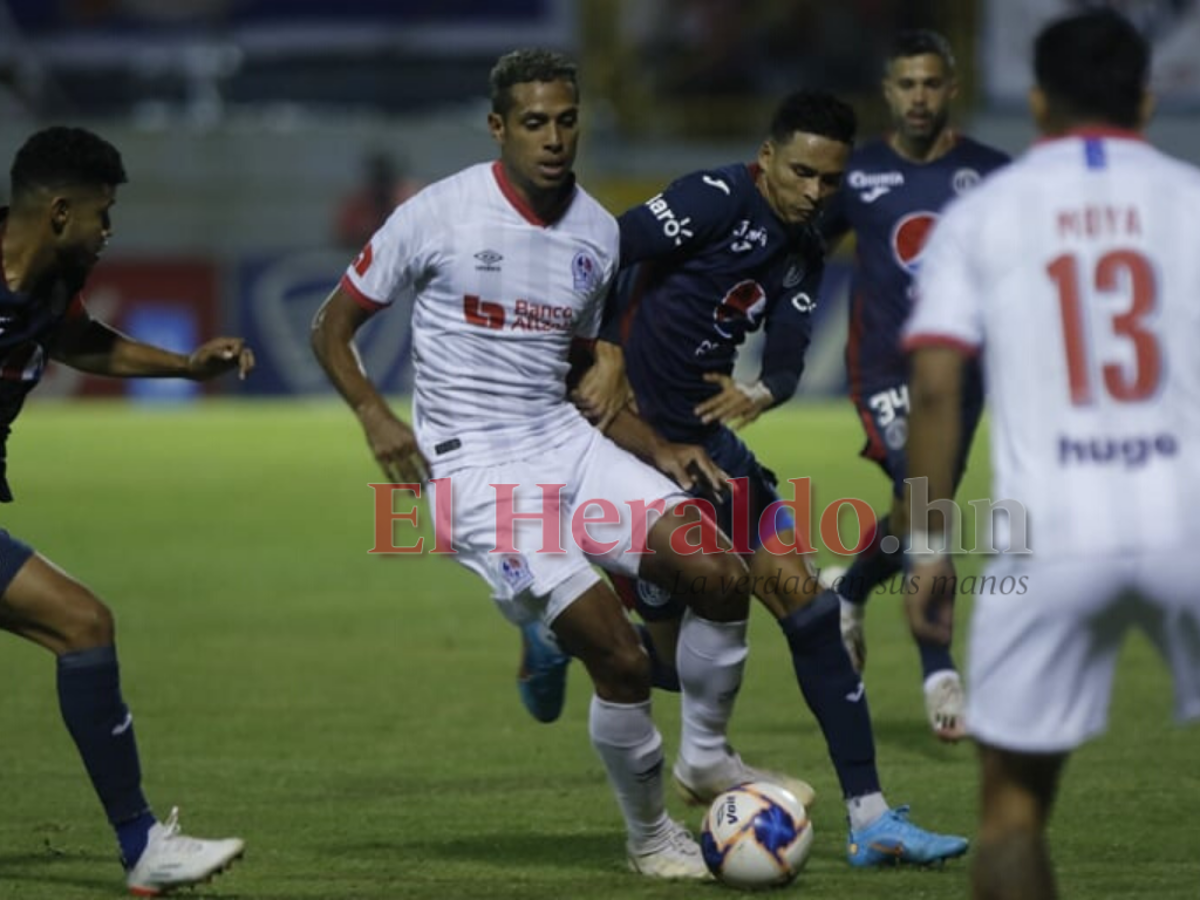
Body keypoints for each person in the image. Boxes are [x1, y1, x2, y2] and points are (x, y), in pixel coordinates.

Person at [311, 48, 813, 881]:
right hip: (477, 472)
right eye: (535, 122)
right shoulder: (436, 214)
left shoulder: (595, 233)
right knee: (617, 658)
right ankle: (651, 840)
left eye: (567, 120)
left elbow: (579, 368)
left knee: (720, 574)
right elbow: (331, 325)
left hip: (567, 444)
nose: (553, 138)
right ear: (498, 127)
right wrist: (375, 416)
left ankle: (709, 759)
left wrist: (660, 448)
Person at [521, 89, 970, 868]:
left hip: (710, 451)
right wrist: (600, 353)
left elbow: (791, 352)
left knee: (811, 610)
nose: (815, 193)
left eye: (830, 181)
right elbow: (604, 248)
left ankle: (872, 820)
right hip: (633, 450)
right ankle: (561, 636)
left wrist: (764, 389)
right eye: (801, 173)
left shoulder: (803, 243)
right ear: (768, 159)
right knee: (656, 663)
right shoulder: (715, 198)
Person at [903, 10, 1200, 899]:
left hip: (1051, 535)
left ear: (1035, 101)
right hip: (1191, 520)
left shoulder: (984, 213)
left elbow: (935, 388)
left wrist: (925, 546)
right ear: (1147, 99)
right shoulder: (1192, 200)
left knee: (1011, 815)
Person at [1, 126, 252, 896]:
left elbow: (81, 342)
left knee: (82, 624)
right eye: (104, 215)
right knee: (83, 623)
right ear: (61, 212)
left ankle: (143, 846)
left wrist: (183, 366)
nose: (110, 233)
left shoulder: (43, 286)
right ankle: (142, 846)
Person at [817, 29, 1009, 740]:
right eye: (907, 85)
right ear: (888, 92)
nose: (919, 97)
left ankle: (852, 589)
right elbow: (805, 250)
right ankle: (941, 673)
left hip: (962, 370)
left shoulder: (991, 173)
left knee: (916, 510)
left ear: (950, 89)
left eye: (932, 83)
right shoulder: (858, 175)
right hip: (887, 371)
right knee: (925, 508)